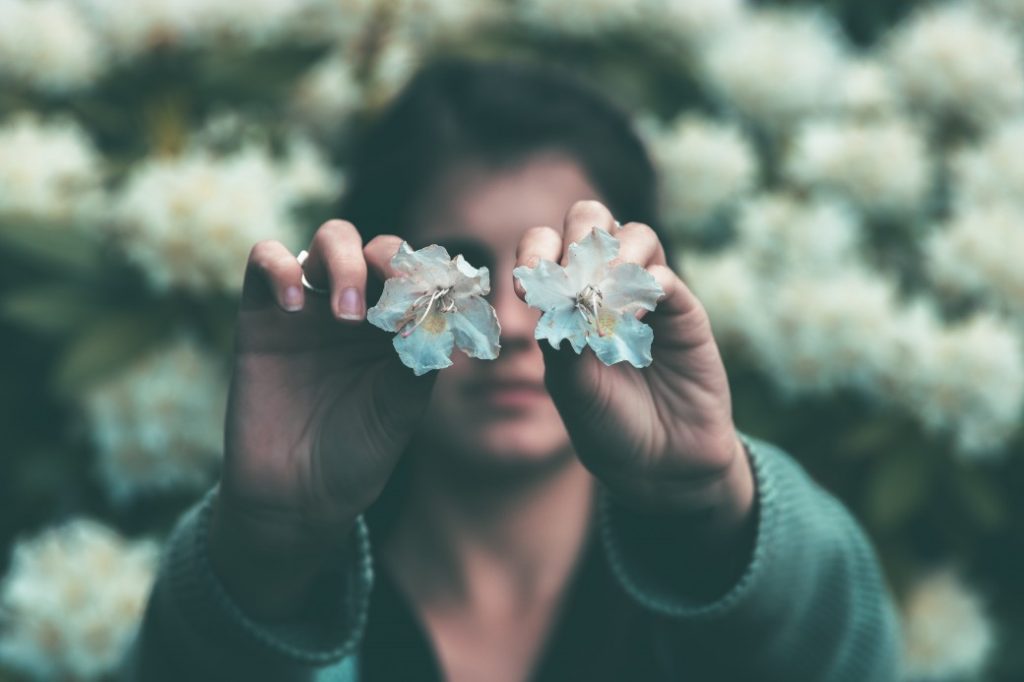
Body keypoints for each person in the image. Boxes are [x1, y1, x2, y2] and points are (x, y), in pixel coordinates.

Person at [125, 58, 902, 681]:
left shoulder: (704, 602)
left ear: (649, 288)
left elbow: (840, 656)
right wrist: (266, 548)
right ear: (375, 296)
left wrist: (711, 505)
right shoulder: (285, 595)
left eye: (558, 271)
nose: (515, 322)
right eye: (458, 273)